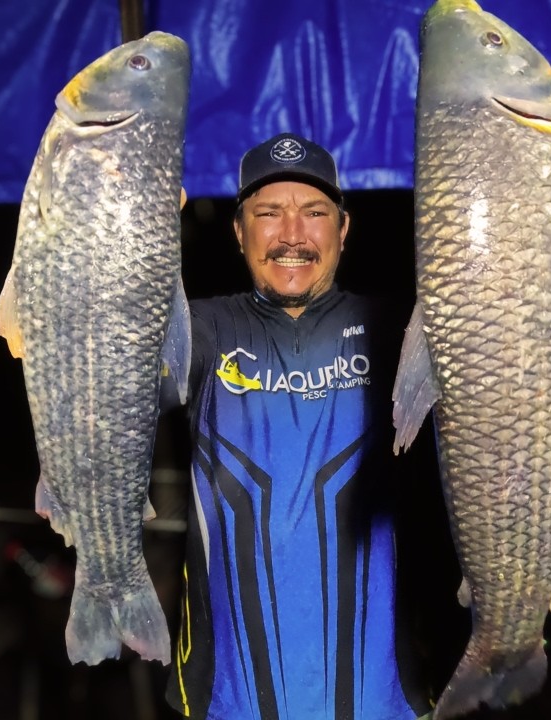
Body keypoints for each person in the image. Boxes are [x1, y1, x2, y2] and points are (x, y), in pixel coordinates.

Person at [160, 132, 436, 720]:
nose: (291, 235)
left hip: (385, 702)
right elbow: (109, 364)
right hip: (227, 702)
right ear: (239, 232)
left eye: (314, 213)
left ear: (343, 229)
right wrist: (128, 240)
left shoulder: (400, 333)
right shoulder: (201, 330)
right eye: (268, 214)